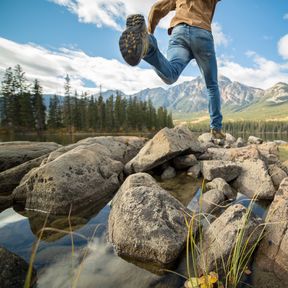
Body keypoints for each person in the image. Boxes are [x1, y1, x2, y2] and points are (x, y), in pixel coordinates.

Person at [119, 0, 226, 139]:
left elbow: (156, 8)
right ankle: (216, 129)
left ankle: (148, 45)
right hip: (202, 33)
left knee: (171, 74)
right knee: (211, 85)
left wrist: (149, 33)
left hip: (179, 32)